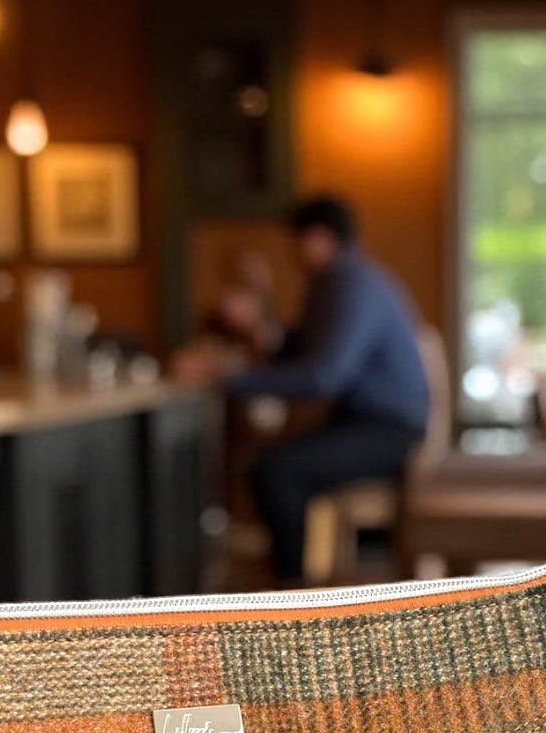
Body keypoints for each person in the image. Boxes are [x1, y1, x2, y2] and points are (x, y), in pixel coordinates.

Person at [183, 195, 429, 582]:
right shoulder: (338, 281)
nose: (292, 256)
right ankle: (286, 585)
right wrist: (260, 330)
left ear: (315, 239)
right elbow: (304, 350)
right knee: (267, 459)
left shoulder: (351, 285)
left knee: (275, 471)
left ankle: (292, 597)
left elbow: (322, 378)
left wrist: (224, 377)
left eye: (294, 244)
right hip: (364, 423)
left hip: (388, 432)